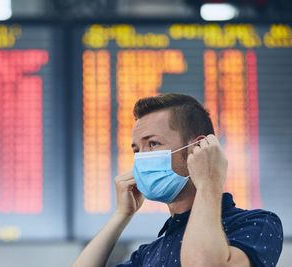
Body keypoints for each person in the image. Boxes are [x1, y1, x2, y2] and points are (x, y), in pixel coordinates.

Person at [73, 93, 283, 267]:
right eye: (136, 150)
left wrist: (208, 182)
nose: (142, 158)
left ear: (198, 148)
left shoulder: (257, 223)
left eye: (153, 144)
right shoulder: (150, 253)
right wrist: (122, 215)